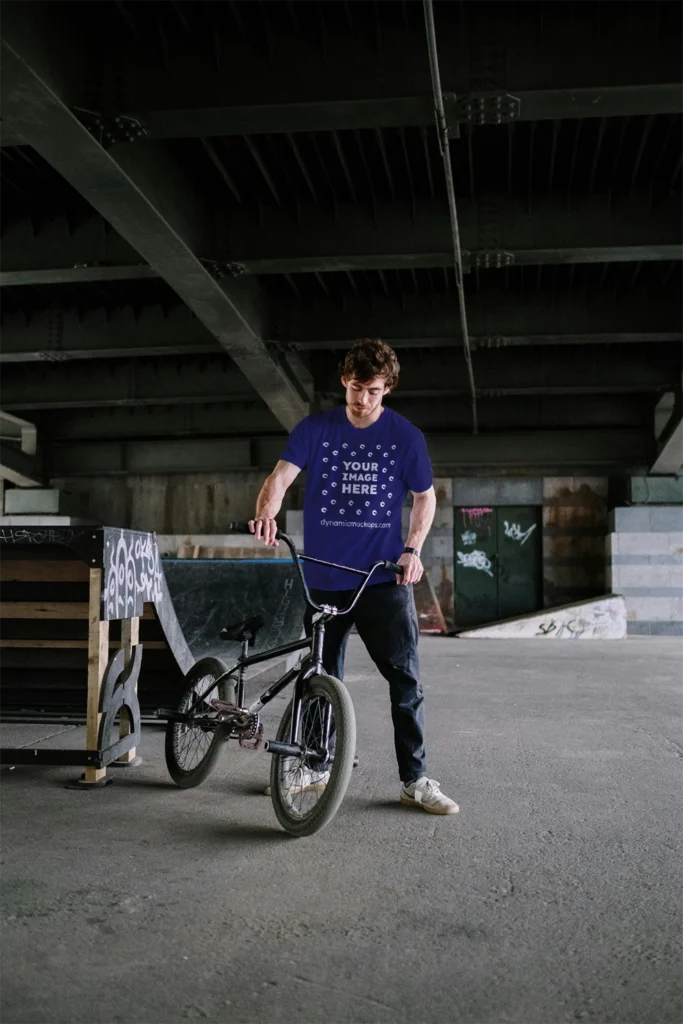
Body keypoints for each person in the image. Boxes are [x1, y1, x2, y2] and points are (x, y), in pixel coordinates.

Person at [250, 338, 458, 816]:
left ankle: (414, 779)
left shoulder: (405, 437)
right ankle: (317, 766)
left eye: (373, 390)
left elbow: (425, 498)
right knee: (320, 677)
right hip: (324, 579)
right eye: (356, 387)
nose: (362, 399)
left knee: (405, 681)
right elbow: (280, 477)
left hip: (383, 580)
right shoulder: (316, 429)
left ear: (387, 389)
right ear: (345, 381)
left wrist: (412, 550)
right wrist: (266, 512)